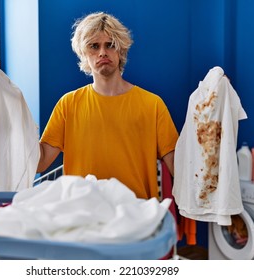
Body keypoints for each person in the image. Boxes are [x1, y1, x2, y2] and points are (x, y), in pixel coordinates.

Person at [37, 12, 179, 199]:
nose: (102, 52)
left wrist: (210, 110)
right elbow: (40, 163)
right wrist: (7, 105)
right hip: (83, 215)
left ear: (120, 50)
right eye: (94, 46)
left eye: (110, 45)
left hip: (136, 216)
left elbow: (180, 168)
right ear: (84, 54)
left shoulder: (153, 105)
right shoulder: (68, 104)